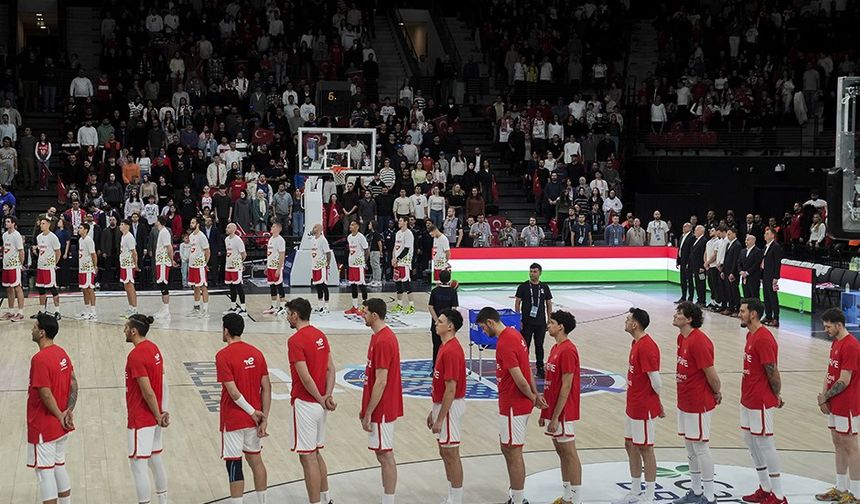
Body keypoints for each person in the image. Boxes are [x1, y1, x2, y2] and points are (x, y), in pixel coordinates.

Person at [476, 306, 545, 504]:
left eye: (482, 327)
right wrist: (535, 394)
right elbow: (528, 369)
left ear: (490, 322)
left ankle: (518, 499)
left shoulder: (505, 342)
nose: (483, 332)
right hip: (515, 403)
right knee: (508, 448)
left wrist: (532, 396)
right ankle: (516, 496)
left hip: (514, 404)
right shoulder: (516, 334)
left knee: (513, 452)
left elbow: (519, 378)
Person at [286, 297, 337, 504]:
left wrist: (319, 397)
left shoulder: (295, 341)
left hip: (306, 403)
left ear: (295, 315)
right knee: (315, 453)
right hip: (320, 405)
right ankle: (326, 498)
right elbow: (331, 368)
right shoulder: (320, 335)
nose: (287, 317)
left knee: (307, 457)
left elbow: (305, 377)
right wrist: (327, 396)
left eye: (288, 313)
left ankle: (315, 502)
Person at [216, 313, 271, 504]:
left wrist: (250, 411)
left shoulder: (222, 356)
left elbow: (232, 392)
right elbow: (267, 387)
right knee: (256, 460)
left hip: (233, 419)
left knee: (234, 463)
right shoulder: (257, 353)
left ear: (226, 331)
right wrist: (263, 417)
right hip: (254, 420)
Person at [737, 298, 786, 504]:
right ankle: (765, 487)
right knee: (751, 442)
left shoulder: (764, 339)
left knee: (765, 443)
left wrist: (776, 395)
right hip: (747, 398)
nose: (739, 314)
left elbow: (772, 371)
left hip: (761, 400)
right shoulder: (750, 335)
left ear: (753, 314)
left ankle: (779, 495)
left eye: (742, 311)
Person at [672, 302, 721, 504]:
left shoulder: (699, 342)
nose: (675, 316)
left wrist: (717, 392)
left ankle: (709, 495)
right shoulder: (681, 338)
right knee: (690, 447)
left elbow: (711, 375)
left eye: (679, 313)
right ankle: (695, 491)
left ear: (689, 319)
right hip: (684, 400)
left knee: (700, 447)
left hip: (698, 402)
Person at [27, 313, 77, 504]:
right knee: (59, 467)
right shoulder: (62, 352)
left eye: (34, 327)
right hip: (61, 425)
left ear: (41, 333)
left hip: (44, 425)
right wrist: (68, 412)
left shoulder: (39, 359)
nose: (31, 330)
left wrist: (58, 415)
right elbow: (74, 383)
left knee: (45, 474)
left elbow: (45, 393)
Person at [615, 308, 663, 504]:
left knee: (645, 448)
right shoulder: (636, 343)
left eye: (628, 319)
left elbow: (657, 381)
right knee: (630, 445)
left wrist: (655, 403)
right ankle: (635, 490)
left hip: (643, 406)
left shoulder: (647, 346)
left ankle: (649, 496)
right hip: (632, 404)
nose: (625, 322)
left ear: (635, 324)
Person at [360, 298, 404, 504]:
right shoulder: (377, 337)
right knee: (381, 453)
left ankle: (389, 500)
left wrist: (369, 411)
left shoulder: (384, 340)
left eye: (365, 312)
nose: (362, 315)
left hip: (383, 407)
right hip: (380, 405)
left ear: (374, 315)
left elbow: (381, 381)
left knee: (385, 454)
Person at [815, 308, 860, 503]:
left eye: (828, 326)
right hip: (834, 403)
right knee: (838, 444)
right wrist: (824, 395)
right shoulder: (836, 343)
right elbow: (830, 372)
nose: (826, 330)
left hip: (847, 404)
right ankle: (841, 488)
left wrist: (825, 398)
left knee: (851, 446)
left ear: (839, 325)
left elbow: (844, 380)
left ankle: (857, 494)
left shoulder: (851, 346)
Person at [124, 314, 170, 504]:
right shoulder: (154, 348)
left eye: (126, 327)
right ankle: (163, 500)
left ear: (134, 331)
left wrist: (158, 414)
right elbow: (164, 382)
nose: (124, 330)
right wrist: (163, 411)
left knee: (138, 465)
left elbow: (147, 391)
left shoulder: (135, 355)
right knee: (155, 459)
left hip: (142, 417)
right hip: (156, 415)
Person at [540, 310, 583, 504]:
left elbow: (566, 386)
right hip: (553, 409)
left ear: (561, 327)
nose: (548, 325)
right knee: (561, 452)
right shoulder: (555, 348)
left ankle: (576, 497)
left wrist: (556, 415)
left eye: (552, 322)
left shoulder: (567, 350)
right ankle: (567, 495)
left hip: (563, 411)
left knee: (569, 453)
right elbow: (551, 384)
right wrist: (545, 412)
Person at [427, 308, 467, 504]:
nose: (436, 323)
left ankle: (457, 499)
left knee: (451, 453)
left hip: (450, 408)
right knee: (444, 451)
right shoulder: (444, 346)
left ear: (450, 326)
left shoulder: (451, 350)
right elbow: (441, 386)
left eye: (440, 321)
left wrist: (440, 417)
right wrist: (433, 411)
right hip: (442, 406)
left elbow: (451, 389)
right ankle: (452, 495)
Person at [514, 263, 553, 378]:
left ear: (540, 273)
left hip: (540, 322)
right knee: (525, 346)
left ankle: (540, 368)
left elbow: (548, 303)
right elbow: (517, 302)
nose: (532, 274)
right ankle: (523, 367)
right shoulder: (523, 286)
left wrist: (549, 319)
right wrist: (518, 318)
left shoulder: (544, 287)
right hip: (526, 322)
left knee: (539, 346)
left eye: (535, 271)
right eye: (531, 271)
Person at [34, 217, 62, 319]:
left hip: (49, 268)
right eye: (41, 223)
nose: (41, 225)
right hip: (40, 267)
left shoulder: (53, 237)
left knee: (52, 289)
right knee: (41, 290)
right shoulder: (39, 237)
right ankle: (42, 311)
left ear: (48, 225)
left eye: (43, 223)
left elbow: (58, 252)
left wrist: (54, 263)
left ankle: (57, 311)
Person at [187, 217, 211, 318]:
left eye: (193, 222)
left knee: (203, 286)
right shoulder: (191, 236)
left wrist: (205, 263)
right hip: (192, 264)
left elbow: (207, 251)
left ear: (197, 224)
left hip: (199, 264)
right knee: (195, 286)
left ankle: (205, 310)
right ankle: (196, 308)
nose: (191, 224)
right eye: (191, 222)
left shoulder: (202, 236)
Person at [2, 215, 25, 321]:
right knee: (8, 288)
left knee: (17, 287)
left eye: (8, 221)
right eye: (5, 221)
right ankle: (11, 311)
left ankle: (20, 312)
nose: (5, 223)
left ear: (13, 223)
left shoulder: (17, 235)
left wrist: (21, 264)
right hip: (6, 266)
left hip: (14, 266)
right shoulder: (4, 235)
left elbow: (21, 251)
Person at [152, 216, 176, 320]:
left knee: (163, 285)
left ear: (159, 221)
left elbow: (169, 247)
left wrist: (172, 260)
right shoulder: (162, 232)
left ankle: (166, 310)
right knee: (161, 285)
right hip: (160, 261)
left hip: (163, 262)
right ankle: (163, 308)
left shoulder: (165, 232)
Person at [391, 216, 415, 314]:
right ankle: (399, 304)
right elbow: (395, 247)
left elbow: (406, 249)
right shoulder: (398, 233)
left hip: (404, 262)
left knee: (406, 283)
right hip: (397, 262)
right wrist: (393, 258)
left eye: (400, 221)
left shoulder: (409, 234)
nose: (398, 222)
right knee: (398, 283)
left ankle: (411, 306)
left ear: (406, 222)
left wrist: (397, 259)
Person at [262, 223, 287, 316]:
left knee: (279, 286)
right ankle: (273, 306)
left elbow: (282, 255)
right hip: (270, 266)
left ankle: (283, 307)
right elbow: (269, 254)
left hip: (276, 267)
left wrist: (279, 268)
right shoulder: (271, 239)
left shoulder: (280, 240)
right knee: (272, 286)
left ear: (278, 229)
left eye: (273, 226)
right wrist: (267, 266)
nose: (271, 228)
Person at [223, 223, 248, 316]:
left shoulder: (238, 240)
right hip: (228, 265)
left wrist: (239, 264)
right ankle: (233, 307)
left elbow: (244, 254)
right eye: (226, 227)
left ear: (234, 229)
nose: (226, 228)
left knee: (238, 286)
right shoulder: (226, 239)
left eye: (228, 227)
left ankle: (243, 308)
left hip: (236, 266)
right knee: (231, 286)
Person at [346, 220, 370, 314]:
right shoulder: (349, 237)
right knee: (353, 285)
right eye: (350, 224)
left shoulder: (361, 237)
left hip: (359, 265)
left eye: (352, 225)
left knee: (362, 285)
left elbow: (366, 250)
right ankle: (355, 307)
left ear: (357, 226)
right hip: (351, 264)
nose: (350, 226)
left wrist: (364, 261)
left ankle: (365, 308)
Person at [761, 227, 783, 327]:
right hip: (765, 274)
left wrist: (776, 277)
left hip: (771, 275)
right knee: (766, 296)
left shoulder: (776, 246)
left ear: (773, 235)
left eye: (767, 233)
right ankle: (768, 315)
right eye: (765, 233)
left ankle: (776, 317)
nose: (765, 234)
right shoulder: (766, 246)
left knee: (773, 296)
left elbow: (777, 262)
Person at [76, 223, 98, 321]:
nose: (79, 229)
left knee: (90, 289)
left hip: (89, 268)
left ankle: (93, 311)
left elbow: (93, 255)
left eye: (80, 228)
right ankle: (86, 309)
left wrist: (95, 266)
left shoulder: (89, 240)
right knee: (84, 289)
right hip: (82, 268)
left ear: (86, 230)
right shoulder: (80, 240)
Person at [118, 219, 139, 318]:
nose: (120, 226)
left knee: (130, 286)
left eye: (122, 224)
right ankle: (130, 307)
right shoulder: (123, 236)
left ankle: (134, 309)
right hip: (124, 264)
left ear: (127, 226)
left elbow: (134, 252)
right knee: (126, 286)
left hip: (129, 265)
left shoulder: (129, 237)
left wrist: (135, 264)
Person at [309, 223, 332, 314]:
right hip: (314, 266)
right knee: (318, 286)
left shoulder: (323, 240)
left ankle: (326, 307)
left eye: (315, 227)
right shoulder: (312, 239)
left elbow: (328, 253)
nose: (313, 228)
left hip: (322, 266)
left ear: (319, 229)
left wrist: (327, 264)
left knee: (323, 286)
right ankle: (320, 306)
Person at [739, 235, 763, 300]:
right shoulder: (742, 251)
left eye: (748, 240)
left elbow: (756, 264)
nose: (746, 241)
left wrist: (747, 272)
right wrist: (740, 271)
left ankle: (756, 309)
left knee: (754, 296)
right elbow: (739, 263)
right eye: (746, 239)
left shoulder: (758, 251)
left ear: (753, 241)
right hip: (744, 277)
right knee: (746, 295)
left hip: (753, 277)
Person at [676, 223, 694, 303]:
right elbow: (680, 249)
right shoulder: (682, 236)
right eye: (683, 226)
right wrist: (678, 260)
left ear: (690, 228)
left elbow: (691, 251)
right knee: (682, 280)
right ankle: (683, 297)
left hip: (688, 262)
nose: (683, 228)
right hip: (682, 260)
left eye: (686, 226)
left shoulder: (692, 237)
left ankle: (690, 298)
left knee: (689, 280)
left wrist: (688, 262)